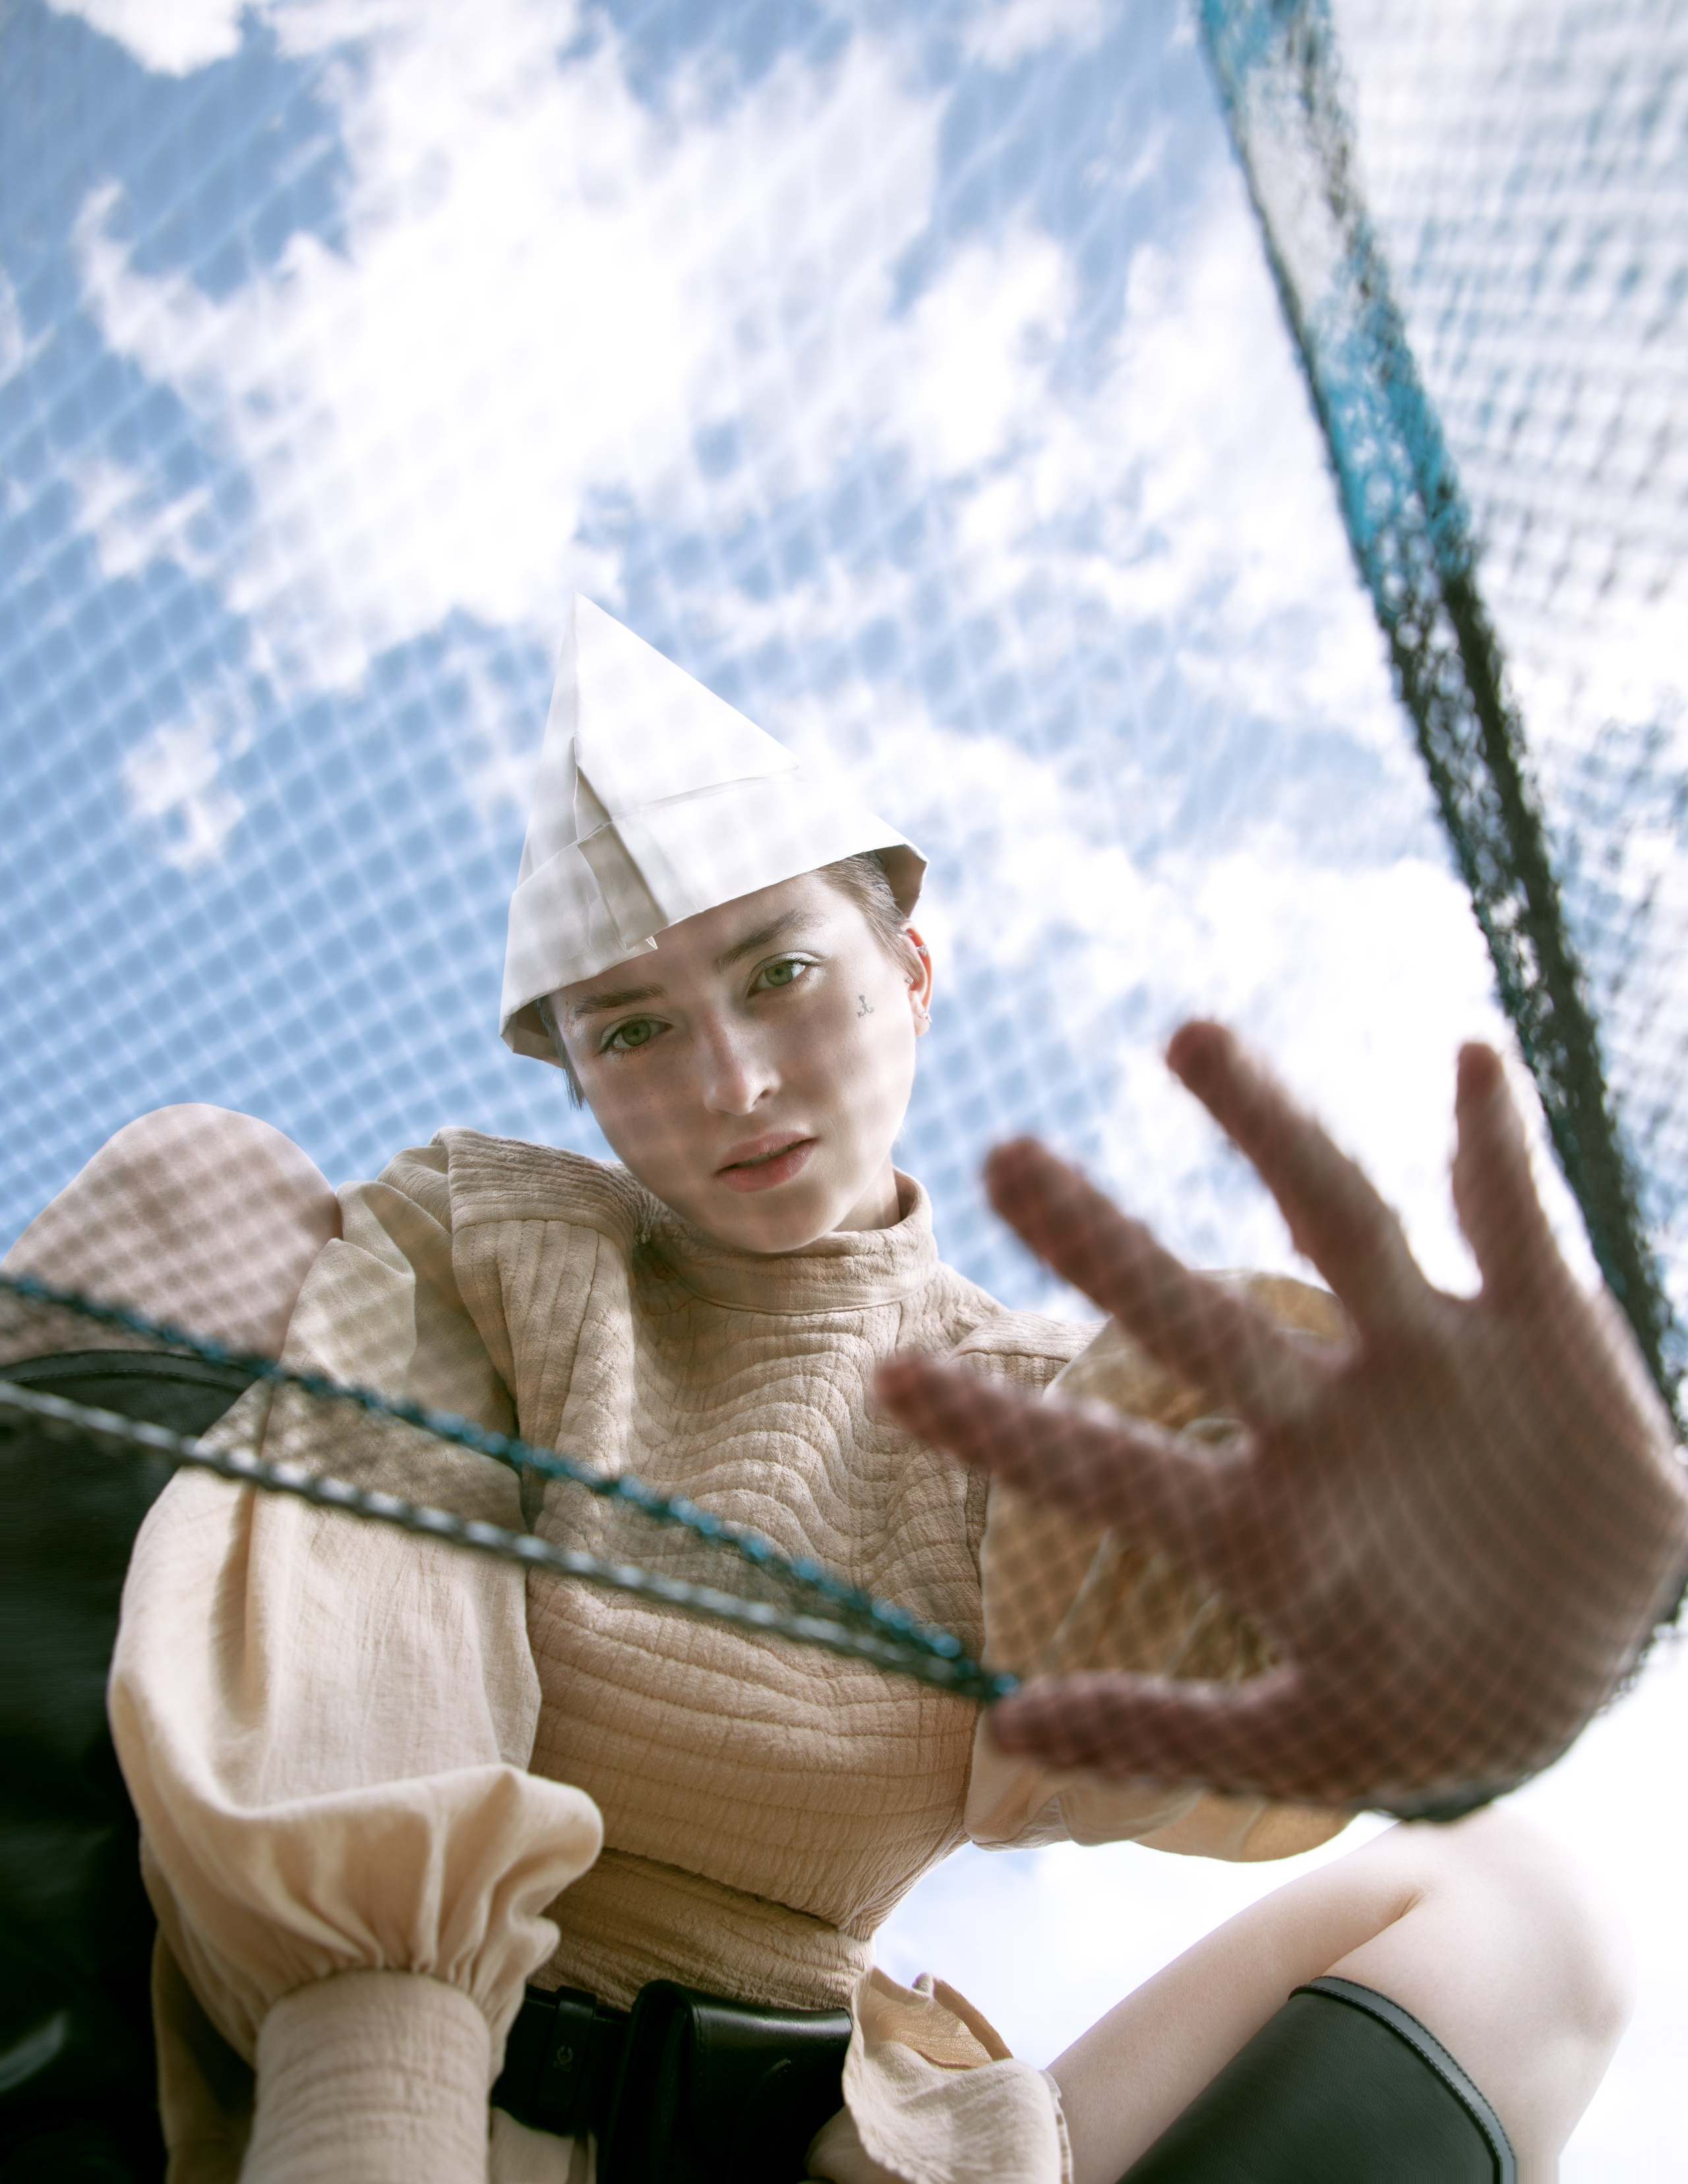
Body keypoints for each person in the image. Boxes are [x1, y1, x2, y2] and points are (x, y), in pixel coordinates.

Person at [3, 597, 1650, 2183]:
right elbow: (374, 1636)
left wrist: (1501, 1574)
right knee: (203, 1179)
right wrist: (366, 2128)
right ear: (580, 1083)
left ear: (910, 969)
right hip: (371, 2096)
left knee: (1527, 1923)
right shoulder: (498, 1249)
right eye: (633, 1030)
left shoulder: (1026, 1413)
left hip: (802, 2142)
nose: (729, 1080)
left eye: (778, 973)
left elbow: (1286, 1653)